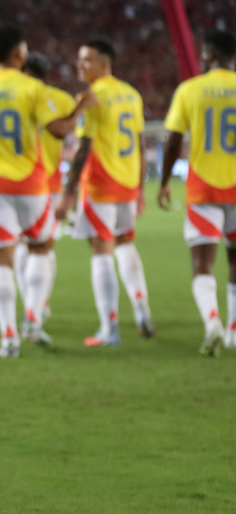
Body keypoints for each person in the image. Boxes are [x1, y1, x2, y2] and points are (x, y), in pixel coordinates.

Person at [0, 27, 89, 357]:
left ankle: (8, 338)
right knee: (41, 248)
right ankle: (32, 319)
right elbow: (60, 130)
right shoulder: (32, 88)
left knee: (0, 259)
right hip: (33, 185)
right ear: (19, 54)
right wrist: (80, 109)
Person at [56, 40, 153, 347]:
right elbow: (139, 145)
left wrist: (68, 193)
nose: (79, 65)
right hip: (126, 184)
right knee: (125, 244)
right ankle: (141, 310)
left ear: (104, 63)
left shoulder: (91, 97)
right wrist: (140, 187)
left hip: (100, 183)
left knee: (101, 251)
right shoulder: (131, 94)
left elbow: (83, 147)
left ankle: (109, 328)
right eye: (79, 60)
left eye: (86, 60)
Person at [158, 28, 236, 356]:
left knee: (202, 263)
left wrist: (163, 181)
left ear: (208, 54)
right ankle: (233, 333)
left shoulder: (190, 89)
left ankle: (212, 322)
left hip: (204, 188)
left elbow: (174, 139)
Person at [13, 53, 79, 336]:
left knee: (18, 246)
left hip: (12, 180)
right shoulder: (62, 100)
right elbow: (72, 142)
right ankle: (36, 308)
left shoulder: (9, 95)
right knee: (43, 246)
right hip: (48, 183)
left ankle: (34, 305)